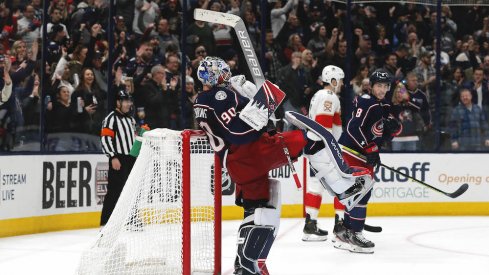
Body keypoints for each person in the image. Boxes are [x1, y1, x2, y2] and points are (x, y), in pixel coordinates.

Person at [194, 57, 372, 274]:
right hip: (251, 152)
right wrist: (265, 101)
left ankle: (247, 266)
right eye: (223, 72)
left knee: (260, 208)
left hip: (236, 164)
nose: (227, 75)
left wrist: (251, 99)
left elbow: (238, 124)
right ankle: (346, 190)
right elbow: (240, 132)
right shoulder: (221, 95)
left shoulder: (202, 100)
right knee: (310, 140)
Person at [335, 68, 401, 253]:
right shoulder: (367, 102)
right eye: (378, 85)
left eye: (385, 86)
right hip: (352, 151)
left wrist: (393, 130)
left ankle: (346, 231)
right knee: (361, 192)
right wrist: (371, 148)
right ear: (371, 86)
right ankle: (355, 233)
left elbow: (382, 130)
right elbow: (353, 129)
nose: (381, 89)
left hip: (362, 153)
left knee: (356, 191)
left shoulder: (383, 105)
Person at [302, 65, 344, 242]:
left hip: (312, 144)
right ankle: (341, 227)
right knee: (342, 183)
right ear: (333, 81)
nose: (341, 83)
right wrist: (333, 148)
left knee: (315, 185)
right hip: (322, 145)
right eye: (340, 80)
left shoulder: (319, 95)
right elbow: (324, 125)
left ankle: (310, 225)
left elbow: (335, 126)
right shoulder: (329, 96)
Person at [100, 89, 136, 226]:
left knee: (131, 190)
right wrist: (113, 157)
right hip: (118, 158)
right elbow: (106, 139)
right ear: (118, 102)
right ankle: (106, 223)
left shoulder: (131, 120)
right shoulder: (110, 119)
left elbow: (132, 139)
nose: (128, 104)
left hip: (131, 158)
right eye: (125, 101)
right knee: (114, 191)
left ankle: (132, 220)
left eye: (129, 101)